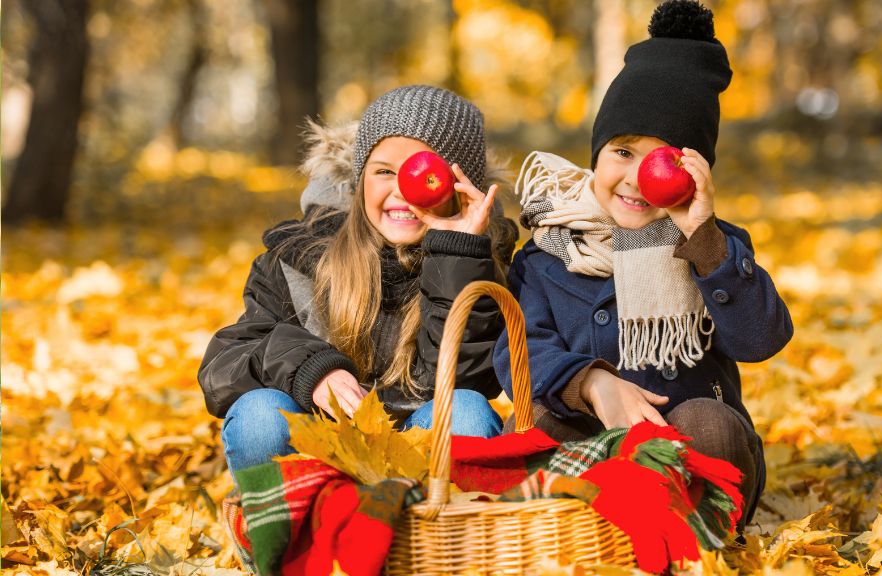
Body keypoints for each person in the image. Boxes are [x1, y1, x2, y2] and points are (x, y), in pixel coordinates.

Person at [493, 0, 793, 530]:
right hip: (591, 435)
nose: (636, 179)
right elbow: (516, 351)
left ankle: (692, 538)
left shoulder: (711, 246)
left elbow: (761, 339)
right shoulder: (545, 254)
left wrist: (703, 237)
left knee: (709, 424)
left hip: (690, 448)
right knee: (536, 427)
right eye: (623, 152)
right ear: (597, 154)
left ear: (694, 171)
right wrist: (590, 383)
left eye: (664, 160)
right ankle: (585, 535)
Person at [199, 85, 519, 480]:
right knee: (259, 415)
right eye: (384, 171)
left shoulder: (481, 263)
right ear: (359, 178)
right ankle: (282, 533)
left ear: (460, 185)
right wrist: (311, 370)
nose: (402, 190)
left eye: (424, 172)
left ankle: (429, 536)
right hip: (318, 442)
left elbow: (463, 378)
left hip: (415, 454)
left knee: (466, 410)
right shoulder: (301, 253)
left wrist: (458, 251)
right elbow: (225, 363)